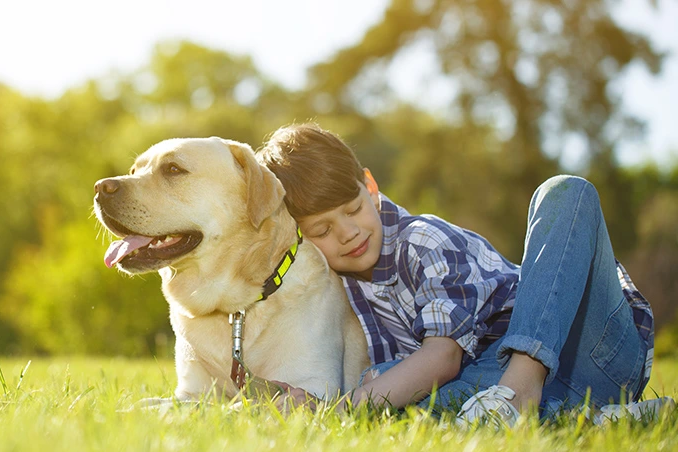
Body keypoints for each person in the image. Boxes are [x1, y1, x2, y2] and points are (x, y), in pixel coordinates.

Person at [255, 122, 656, 424]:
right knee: (386, 381)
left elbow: (444, 357)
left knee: (565, 191)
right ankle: (586, 419)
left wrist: (342, 412)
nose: (349, 233)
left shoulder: (421, 241)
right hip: (488, 384)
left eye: (353, 209)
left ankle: (522, 388)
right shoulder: (337, 287)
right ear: (299, 237)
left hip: (584, 352)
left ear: (371, 186)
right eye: (322, 230)